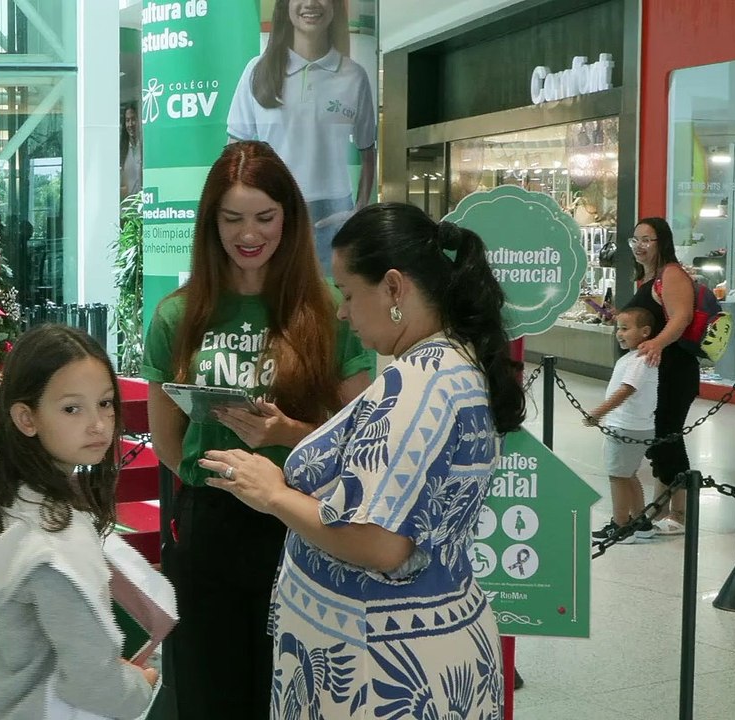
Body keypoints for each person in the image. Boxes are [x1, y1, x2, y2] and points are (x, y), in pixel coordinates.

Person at [198, 202, 525, 717]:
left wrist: (274, 494)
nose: (343, 311)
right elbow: (394, 467)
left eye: (349, 293)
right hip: (411, 645)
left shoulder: (419, 385)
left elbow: (381, 543)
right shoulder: (449, 363)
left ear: (394, 288)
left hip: (384, 670)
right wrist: (290, 432)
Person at [142, 141, 374, 719]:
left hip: (302, 519)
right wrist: (216, 481)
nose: (250, 234)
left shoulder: (326, 309)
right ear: (211, 222)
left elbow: (364, 434)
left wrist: (288, 434)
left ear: (288, 219)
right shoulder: (178, 315)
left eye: (265, 217)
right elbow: (168, 442)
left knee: (293, 687)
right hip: (209, 523)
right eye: (233, 218)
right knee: (208, 687)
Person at [0, 324, 164, 720]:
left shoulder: (0, 502)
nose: (99, 424)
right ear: (26, 417)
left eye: (105, 403)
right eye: (72, 408)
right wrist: (140, 685)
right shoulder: (56, 540)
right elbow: (94, 682)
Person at [227, 0, 377, 272]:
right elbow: (234, 154)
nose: (310, 3)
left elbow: (368, 149)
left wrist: (358, 209)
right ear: (285, 6)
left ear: (334, 7)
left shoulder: (354, 76)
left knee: (330, 305)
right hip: (269, 209)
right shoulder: (257, 71)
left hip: (333, 214)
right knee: (272, 304)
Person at [624, 217, 696, 535]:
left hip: (674, 371)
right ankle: (661, 508)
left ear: (662, 242)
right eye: (635, 240)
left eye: (647, 240)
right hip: (653, 374)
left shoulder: (671, 274)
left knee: (668, 437)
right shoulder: (648, 279)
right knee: (658, 439)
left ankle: (680, 513)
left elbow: (682, 317)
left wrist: (656, 342)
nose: (639, 246)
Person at [586, 307, 659, 543]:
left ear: (645, 332)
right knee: (628, 475)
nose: (620, 333)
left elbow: (627, 389)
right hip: (636, 426)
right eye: (619, 328)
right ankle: (640, 521)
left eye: (626, 328)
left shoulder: (639, 360)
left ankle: (620, 525)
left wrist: (599, 412)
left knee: (617, 476)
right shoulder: (635, 357)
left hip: (626, 426)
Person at [120, 102, 142, 200]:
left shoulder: (144, 146)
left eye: (133, 119)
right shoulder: (121, 149)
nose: (130, 124)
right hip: (128, 208)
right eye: (127, 120)